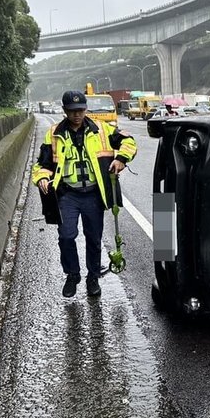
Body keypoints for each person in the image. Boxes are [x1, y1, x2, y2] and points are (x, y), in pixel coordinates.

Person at [32, 90, 137, 298]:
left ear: (85, 109)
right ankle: (72, 275)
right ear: (64, 111)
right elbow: (43, 164)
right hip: (68, 195)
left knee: (93, 238)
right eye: (72, 111)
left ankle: (93, 277)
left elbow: (129, 141)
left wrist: (121, 159)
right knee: (66, 236)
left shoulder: (102, 129)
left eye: (80, 110)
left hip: (93, 194)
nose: (77, 115)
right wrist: (42, 177)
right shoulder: (54, 133)